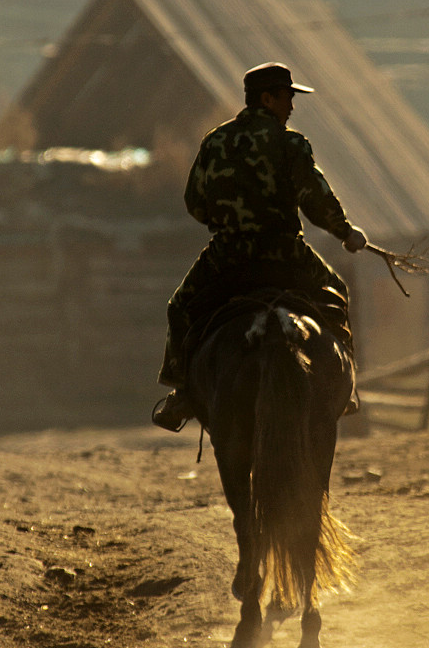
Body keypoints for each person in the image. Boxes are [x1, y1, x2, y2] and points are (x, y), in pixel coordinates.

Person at [152, 62, 368, 432]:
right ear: (268, 98)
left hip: (227, 256)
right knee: (338, 297)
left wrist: (226, 224)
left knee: (180, 307)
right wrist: (345, 232)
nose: (292, 106)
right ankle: (344, 389)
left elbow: (195, 202)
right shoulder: (291, 144)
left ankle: (182, 393)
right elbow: (315, 199)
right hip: (286, 255)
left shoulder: (215, 141)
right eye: (288, 97)